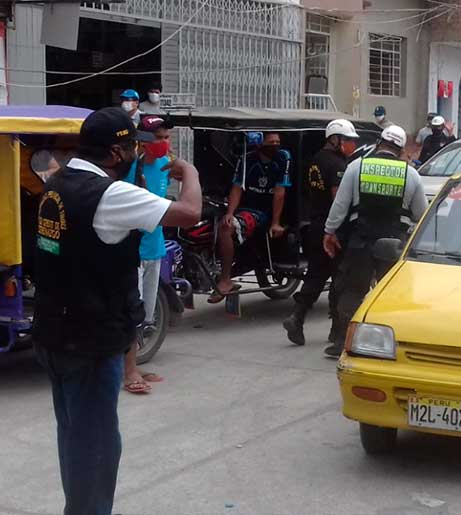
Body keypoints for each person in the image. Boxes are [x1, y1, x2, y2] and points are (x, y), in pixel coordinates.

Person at [33, 107, 202, 515]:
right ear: (113, 153)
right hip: (90, 341)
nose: (133, 154)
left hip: (56, 334)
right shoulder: (108, 194)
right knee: (95, 451)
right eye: (130, 148)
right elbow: (190, 213)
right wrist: (191, 174)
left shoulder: (56, 185)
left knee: (76, 440)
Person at [323, 125, 428, 358]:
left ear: (379, 143)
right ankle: (392, 344)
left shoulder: (356, 167)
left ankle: (342, 342)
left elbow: (340, 206)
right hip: (393, 244)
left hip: (361, 240)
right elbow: (421, 213)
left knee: (352, 291)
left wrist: (329, 231)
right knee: (392, 294)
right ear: (401, 150)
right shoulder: (410, 174)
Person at [282, 119, 360, 346]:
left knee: (316, 275)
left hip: (315, 225)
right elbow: (339, 200)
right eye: (347, 141)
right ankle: (337, 332)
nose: (351, 146)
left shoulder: (316, 159)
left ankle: (297, 316)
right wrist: (338, 228)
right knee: (339, 279)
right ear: (335, 140)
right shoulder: (337, 164)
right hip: (332, 229)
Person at [121, 115, 175, 394]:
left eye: (166, 137)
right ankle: (129, 371)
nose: (164, 143)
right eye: (159, 137)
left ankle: (132, 365)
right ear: (143, 140)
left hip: (155, 248)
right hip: (134, 250)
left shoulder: (167, 167)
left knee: (144, 312)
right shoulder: (130, 168)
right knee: (131, 311)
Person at [211, 132, 292, 303]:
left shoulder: (283, 157)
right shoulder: (247, 159)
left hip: (262, 212)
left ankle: (225, 280)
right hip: (244, 207)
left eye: (278, 141)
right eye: (271, 142)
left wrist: (276, 222)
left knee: (227, 228)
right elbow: (237, 187)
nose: (275, 145)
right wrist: (230, 213)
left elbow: (280, 192)